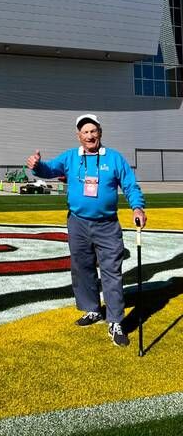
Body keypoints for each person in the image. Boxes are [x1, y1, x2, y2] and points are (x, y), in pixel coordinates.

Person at [26, 114, 146, 348]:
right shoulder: (71, 157)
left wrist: (137, 207)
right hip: (78, 223)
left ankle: (115, 321)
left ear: (100, 132)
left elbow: (130, 185)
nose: (90, 135)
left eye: (93, 131)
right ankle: (92, 310)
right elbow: (49, 169)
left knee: (112, 271)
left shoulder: (114, 158)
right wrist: (37, 165)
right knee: (82, 268)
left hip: (107, 224)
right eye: (85, 132)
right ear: (78, 136)